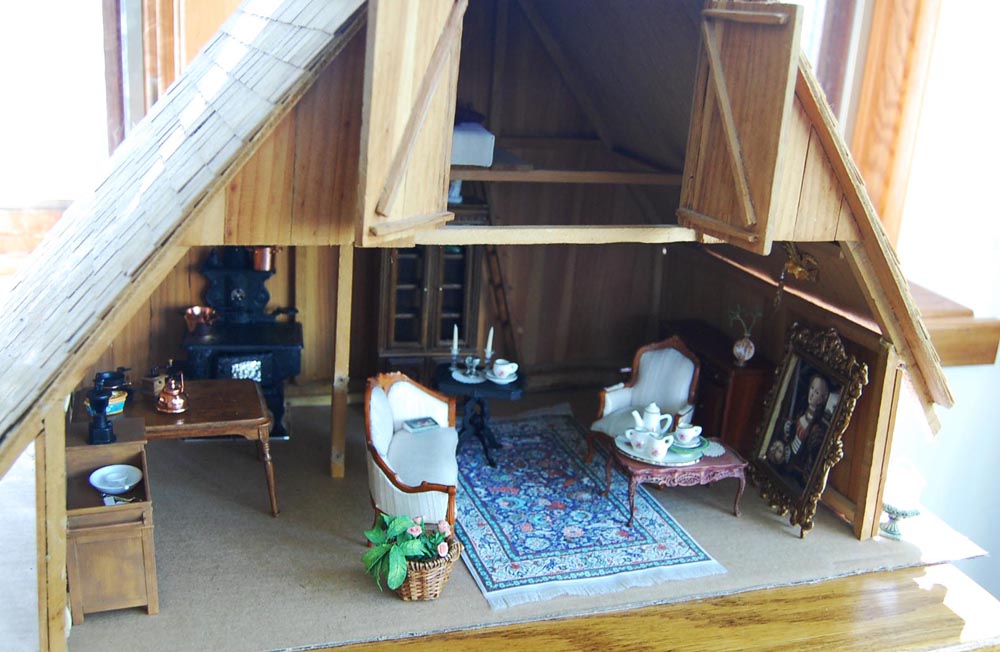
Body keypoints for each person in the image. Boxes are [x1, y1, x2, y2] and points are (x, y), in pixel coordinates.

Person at [767, 373, 831, 489]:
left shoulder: (816, 427)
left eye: (816, 392)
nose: (811, 394)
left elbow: (809, 453)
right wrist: (788, 429)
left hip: (797, 467)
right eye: (812, 388)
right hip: (787, 456)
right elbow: (789, 437)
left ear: (822, 398)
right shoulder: (801, 412)